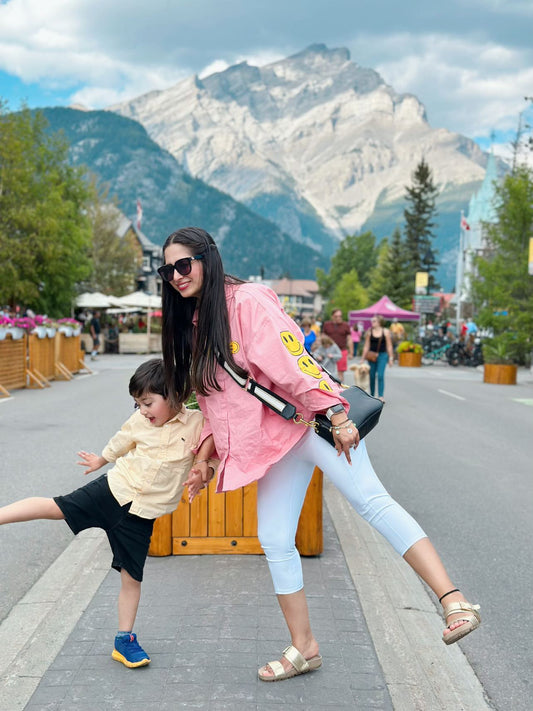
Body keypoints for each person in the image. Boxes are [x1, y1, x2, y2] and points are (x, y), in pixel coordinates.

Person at [158, 226, 481, 682]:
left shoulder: (247, 301)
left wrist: (337, 413)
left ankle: (454, 601)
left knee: (370, 500)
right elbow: (218, 404)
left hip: (312, 423)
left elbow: (293, 362)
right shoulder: (193, 322)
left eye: (183, 264)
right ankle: (305, 646)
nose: (175, 275)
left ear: (208, 258)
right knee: (273, 538)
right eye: (166, 269)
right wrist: (205, 460)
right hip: (273, 444)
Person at [0, 359, 210, 669]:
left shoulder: (198, 424)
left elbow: (214, 454)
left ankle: (124, 642)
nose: (142, 410)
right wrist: (101, 460)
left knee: (132, 578)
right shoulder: (139, 422)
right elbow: (121, 441)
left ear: (176, 395)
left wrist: (202, 474)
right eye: (137, 403)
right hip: (112, 490)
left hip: (141, 516)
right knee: (56, 508)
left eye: (148, 403)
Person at [361, 315, 394, 402]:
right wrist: (362, 358)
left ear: (379, 322)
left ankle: (381, 396)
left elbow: (389, 346)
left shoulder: (385, 332)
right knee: (371, 375)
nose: (372, 322)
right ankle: (372, 395)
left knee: (380, 375)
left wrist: (391, 358)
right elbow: (366, 345)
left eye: (374, 321)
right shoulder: (369, 332)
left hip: (382, 355)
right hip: (371, 356)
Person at [322, 309, 353, 383]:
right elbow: (323, 337)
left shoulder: (345, 325)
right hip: (329, 352)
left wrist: (351, 352)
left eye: (340, 316)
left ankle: (340, 390)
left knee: (340, 373)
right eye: (336, 316)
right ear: (332, 316)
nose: (338, 318)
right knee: (328, 371)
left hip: (342, 351)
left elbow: (349, 339)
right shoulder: (327, 324)